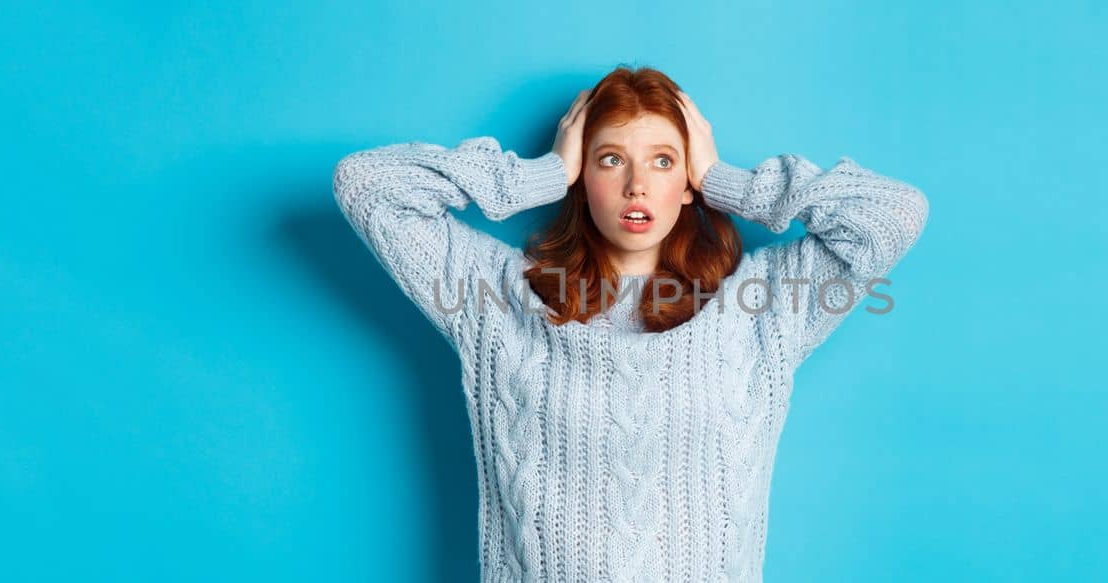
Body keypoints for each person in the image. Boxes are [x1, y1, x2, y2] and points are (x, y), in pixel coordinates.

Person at [333, 65, 928, 582]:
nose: (637, 185)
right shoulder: (496, 295)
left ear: (686, 181)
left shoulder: (762, 305)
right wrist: (539, 175)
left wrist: (726, 181)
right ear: (581, 178)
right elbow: (366, 185)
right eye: (611, 159)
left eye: (664, 162)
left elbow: (895, 214)